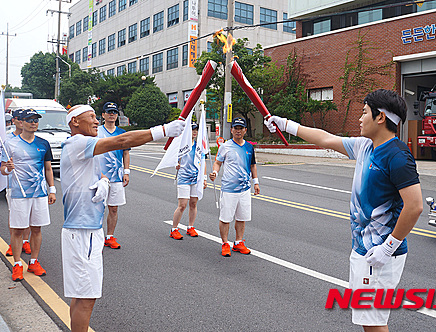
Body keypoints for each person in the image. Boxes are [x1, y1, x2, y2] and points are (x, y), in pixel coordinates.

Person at [266, 89, 423, 332]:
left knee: (374, 324)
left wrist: (388, 247)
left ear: (380, 117)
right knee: (367, 321)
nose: (360, 119)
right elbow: (325, 139)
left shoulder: (398, 156)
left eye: (364, 112)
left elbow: (415, 206)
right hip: (363, 250)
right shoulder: (364, 147)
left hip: (380, 255)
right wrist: (286, 124)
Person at [60, 104, 184, 332]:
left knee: (81, 295)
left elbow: (96, 171)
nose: (97, 121)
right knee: (87, 297)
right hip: (82, 231)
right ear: (75, 122)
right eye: (91, 117)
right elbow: (121, 142)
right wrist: (162, 131)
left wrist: (104, 181)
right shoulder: (78, 142)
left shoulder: (83, 147)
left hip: (87, 230)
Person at [2, 109, 56, 282]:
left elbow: (48, 168)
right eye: (29, 120)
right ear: (21, 122)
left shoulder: (43, 143)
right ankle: (17, 264)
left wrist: (52, 189)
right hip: (19, 193)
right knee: (18, 230)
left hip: (39, 193)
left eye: (36, 120)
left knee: (36, 228)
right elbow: (2, 170)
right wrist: (7, 169)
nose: (33, 123)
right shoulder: (10, 144)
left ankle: (33, 261)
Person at [209, 117, 260, 257]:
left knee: (241, 217)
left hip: (244, 189)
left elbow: (253, 165)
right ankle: (225, 243)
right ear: (231, 130)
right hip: (229, 189)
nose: (238, 131)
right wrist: (215, 172)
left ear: (245, 130)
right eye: (235, 128)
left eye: (240, 128)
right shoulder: (225, 146)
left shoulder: (249, 147)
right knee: (226, 218)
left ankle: (238, 242)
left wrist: (256, 182)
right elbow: (218, 162)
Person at [97, 102, 130, 249]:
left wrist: (126, 171)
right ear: (103, 115)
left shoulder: (121, 133)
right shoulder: (97, 132)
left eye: (114, 112)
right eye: (109, 112)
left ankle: (109, 236)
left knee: (114, 208)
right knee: (98, 208)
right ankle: (95, 236)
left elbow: (126, 152)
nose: (112, 114)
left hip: (116, 176)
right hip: (99, 176)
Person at [170, 122, 207, 240]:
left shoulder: (198, 146)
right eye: (192, 130)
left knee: (193, 204)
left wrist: (204, 178)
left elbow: (203, 162)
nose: (195, 132)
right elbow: (173, 157)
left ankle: (190, 227)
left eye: (196, 130)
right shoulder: (181, 145)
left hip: (196, 178)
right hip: (184, 178)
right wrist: (176, 164)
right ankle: (174, 229)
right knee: (182, 205)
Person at [4, 109, 32, 257]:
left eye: (24, 119)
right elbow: (2, 167)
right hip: (13, 185)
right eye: (19, 119)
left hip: (30, 186)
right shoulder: (8, 141)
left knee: (28, 216)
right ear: (14, 121)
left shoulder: (33, 138)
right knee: (14, 217)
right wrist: (7, 169)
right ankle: (13, 243)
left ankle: (25, 241)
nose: (22, 122)